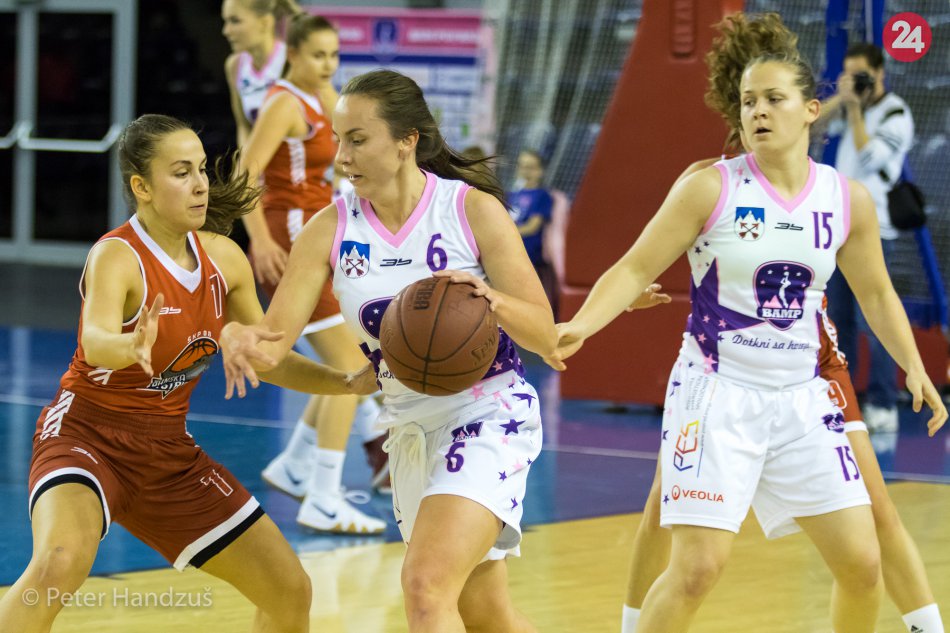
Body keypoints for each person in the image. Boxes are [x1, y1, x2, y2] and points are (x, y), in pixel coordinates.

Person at [548, 43, 947, 632]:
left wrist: (913, 365)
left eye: (773, 99)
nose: (758, 111)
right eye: (748, 101)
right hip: (717, 392)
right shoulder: (710, 188)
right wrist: (580, 325)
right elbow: (633, 267)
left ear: (811, 109)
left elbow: (878, 294)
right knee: (697, 569)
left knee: (863, 564)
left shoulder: (845, 199)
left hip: (803, 399)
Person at [0, 114, 378, 633]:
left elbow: (267, 357)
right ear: (142, 187)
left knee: (289, 589)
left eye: (201, 169)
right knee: (57, 565)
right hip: (85, 438)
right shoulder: (117, 255)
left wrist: (346, 382)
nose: (200, 183)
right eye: (181, 173)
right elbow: (95, 340)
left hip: (167, 452)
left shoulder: (225, 260)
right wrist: (129, 345)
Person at [221, 69, 557, 633]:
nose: (341, 157)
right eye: (338, 139)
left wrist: (490, 300)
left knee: (425, 588)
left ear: (407, 141)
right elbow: (270, 352)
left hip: (487, 411)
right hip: (407, 425)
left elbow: (544, 334)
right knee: (483, 611)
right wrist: (240, 336)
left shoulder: (471, 211)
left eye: (357, 140)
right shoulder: (329, 229)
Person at [236, 12, 390, 534]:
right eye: (318, 55)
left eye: (334, 54)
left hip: (321, 239)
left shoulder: (327, 98)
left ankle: (297, 463)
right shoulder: (283, 103)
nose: (328, 64)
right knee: (352, 366)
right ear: (293, 55)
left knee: (348, 363)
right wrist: (260, 240)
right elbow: (244, 173)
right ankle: (323, 497)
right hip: (288, 243)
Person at [819, 42, 915, 433]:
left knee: (875, 322)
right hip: (839, 229)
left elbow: (870, 158)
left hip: (876, 233)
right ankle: (845, 400)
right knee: (838, 321)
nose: (857, 81)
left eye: (862, 74)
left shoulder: (895, 113)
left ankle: (883, 403)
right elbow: (812, 124)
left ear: (880, 73)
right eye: (849, 74)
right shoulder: (848, 108)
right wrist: (842, 99)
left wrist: (856, 111)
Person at [508, 150, 558, 317]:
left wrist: (506, 234)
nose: (525, 171)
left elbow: (532, 226)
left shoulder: (542, 195)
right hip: (510, 249)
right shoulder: (513, 194)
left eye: (530, 167)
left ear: (540, 171)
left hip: (528, 253)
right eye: (522, 166)